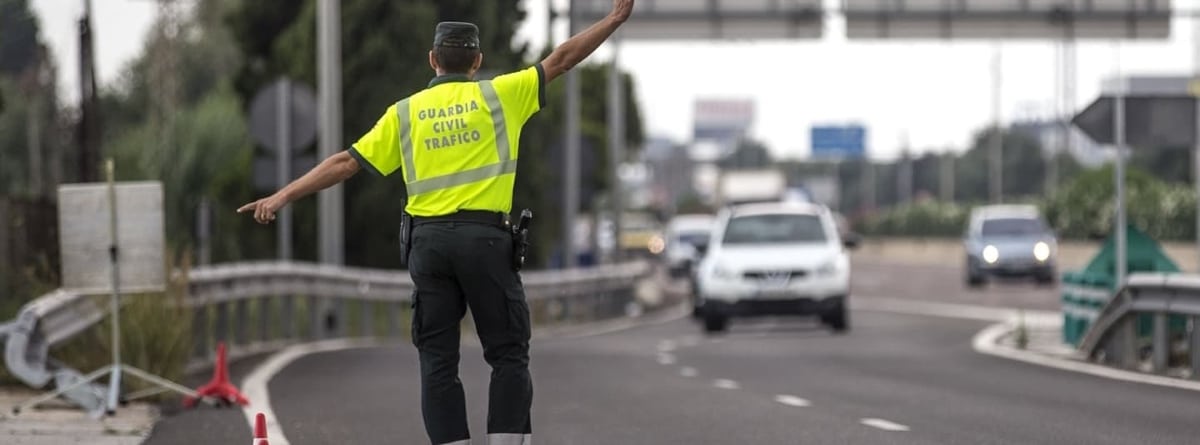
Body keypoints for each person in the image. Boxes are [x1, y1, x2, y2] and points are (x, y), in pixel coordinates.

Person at [237, 1, 635, 443]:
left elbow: (345, 163)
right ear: (478, 61)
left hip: (428, 248)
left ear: (433, 59)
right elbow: (562, 58)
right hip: (485, 243)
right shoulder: (502, 94)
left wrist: (282, 194)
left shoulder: (405, 113)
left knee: (438, 361)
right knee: (507, 354)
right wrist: (613, 19)